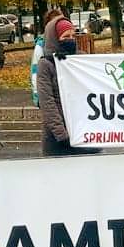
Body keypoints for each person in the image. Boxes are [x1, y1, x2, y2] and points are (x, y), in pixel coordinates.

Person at [36, 14, 80, 155]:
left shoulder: (80, 60)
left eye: (73, 36)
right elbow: (47, 102)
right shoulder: (46, 64)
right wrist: (62, 135)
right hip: (57, 139)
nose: (71, 40)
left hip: (81, 132)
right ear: (55, 39)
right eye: (66, 37)